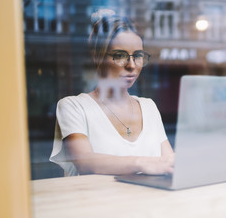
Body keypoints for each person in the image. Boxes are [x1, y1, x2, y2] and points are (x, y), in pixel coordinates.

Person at [50, 11, 174, 176]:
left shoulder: (148, 106)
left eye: (138, 56)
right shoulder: (74, 107)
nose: (131, 65)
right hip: (101, 201)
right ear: (97, 56)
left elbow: (169, 161)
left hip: (150, 200)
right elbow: (85, 162)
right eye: (120, 55)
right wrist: (141, 163)